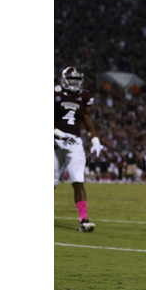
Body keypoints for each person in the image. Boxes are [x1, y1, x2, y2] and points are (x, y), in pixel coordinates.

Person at [54, 66, 105, 232]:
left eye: (77, 80)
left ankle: (84, 220)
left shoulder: (84, 96)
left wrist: (95, 140)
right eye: (71, 79)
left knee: (78, 181)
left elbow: (88, 123)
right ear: (64, 79)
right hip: (53, 141)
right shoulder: (54, 93)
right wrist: (61, 135)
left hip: (74, 143)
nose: (74, 83)